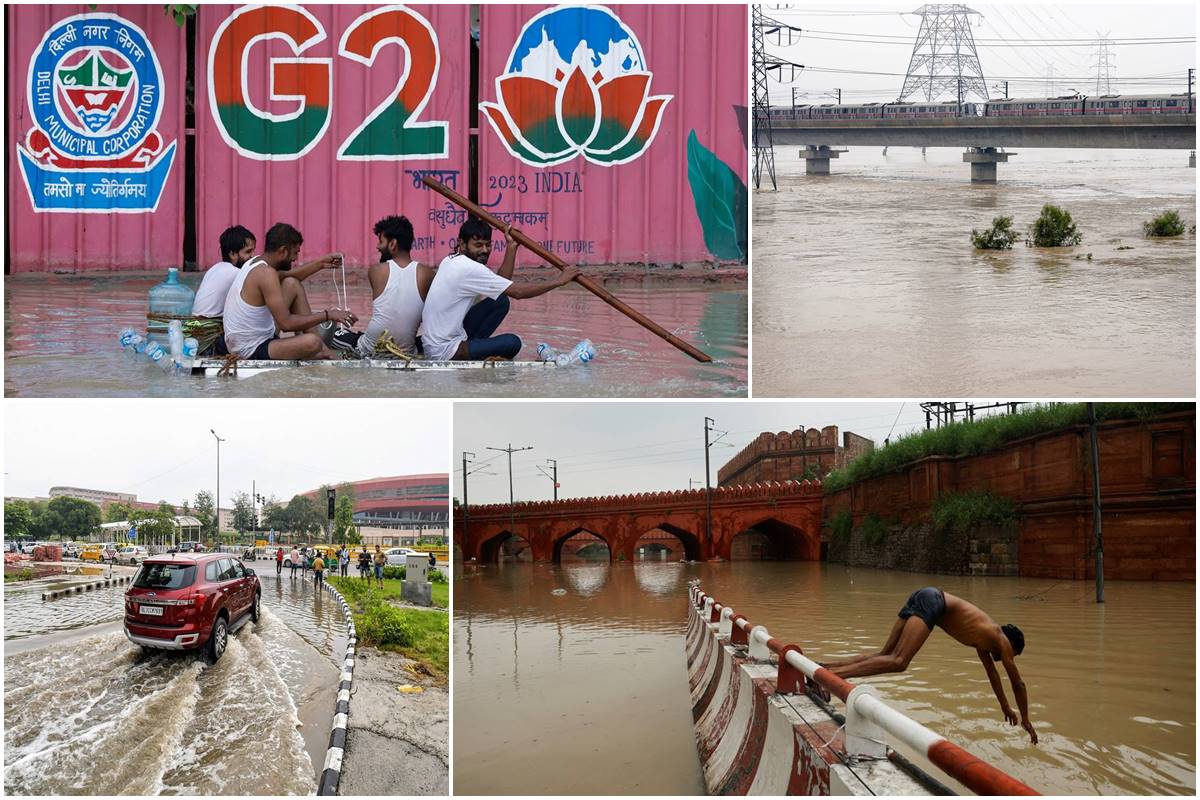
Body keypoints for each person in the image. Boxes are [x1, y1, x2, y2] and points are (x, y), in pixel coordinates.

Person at [820, 587, 1037, 744]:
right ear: (1011, 645)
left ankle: (823, 667)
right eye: (1013, 655)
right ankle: (829, 678)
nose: (1008, 659)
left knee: (885, 655)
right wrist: (1026, 719)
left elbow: (993, 675)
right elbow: (1018, 683)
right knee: (899, 661)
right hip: (933, 601)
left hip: (926, 596)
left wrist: (1005, 707)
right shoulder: (1001, 639)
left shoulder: (984, 641)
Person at [420, 218, 579, 361]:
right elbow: (518, 293)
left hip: (441, 341)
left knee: (501, 301)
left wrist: (512, 247)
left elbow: (502, 284)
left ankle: (476, 348)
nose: (484, 250)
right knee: (513, 342)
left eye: (488, 244)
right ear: (462, 244)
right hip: (444, 351)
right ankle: (473, 351)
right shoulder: (469, 268)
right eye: (478, 245)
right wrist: (559, 281)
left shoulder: (450, 259)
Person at [222, 222, 356, 360]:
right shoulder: (266, 273)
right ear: (283, 251)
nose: (295, 259)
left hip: (255, 337)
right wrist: (329, 315)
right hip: (249, 349)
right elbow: (286, 324)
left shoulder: (257, 262)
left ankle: (324, 350)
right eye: (295, 253)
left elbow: (288, 276)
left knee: (292, 284)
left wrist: (321, 263)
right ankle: (321, 349)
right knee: (312, 342)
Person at [330, 215, 436, 358]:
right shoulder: (427, 274)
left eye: (381, 241)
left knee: (329, 332)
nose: (377, 247)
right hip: (406, 351)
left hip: (369, 349)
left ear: (393, 244)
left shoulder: (376, 271)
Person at [193, 225, 256, 355]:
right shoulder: (236, 273)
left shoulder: (216, 268)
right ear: (232, 254)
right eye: (248, 252)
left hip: (196, 336)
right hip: (209, 342)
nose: (252, 256)